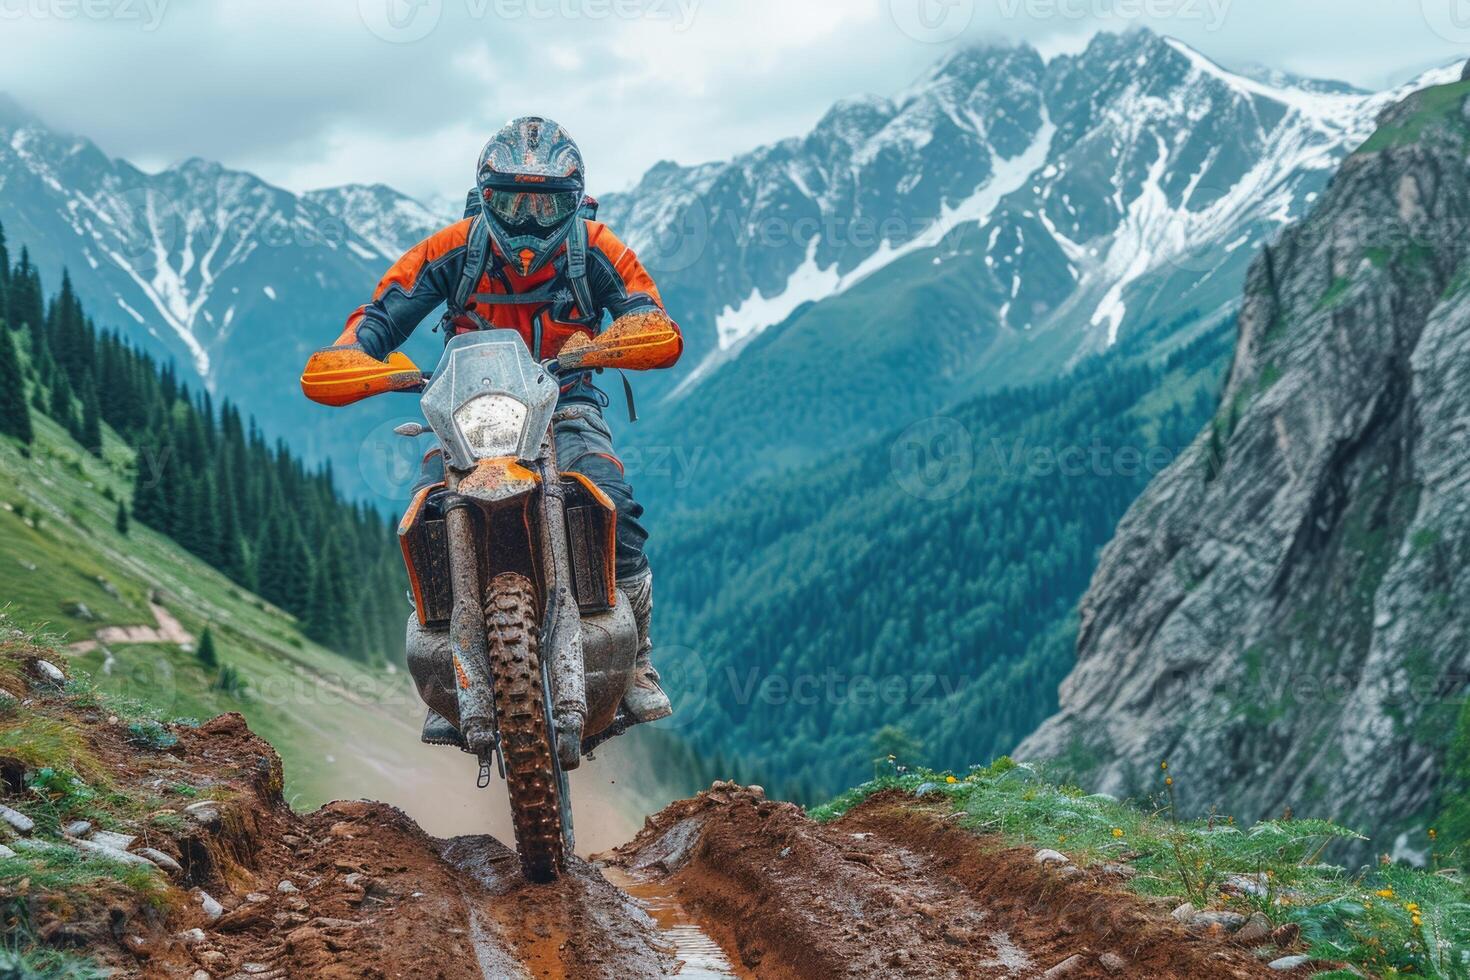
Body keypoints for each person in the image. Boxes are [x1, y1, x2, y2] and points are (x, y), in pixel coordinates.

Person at [330, 116, 680, 733]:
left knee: (613, 502)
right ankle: (449, 657)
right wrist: (355, 354)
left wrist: (634, 335)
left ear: (573, 204)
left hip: (566, 398)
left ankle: (638, 662)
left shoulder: (598, 248)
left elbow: (645, 310)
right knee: (428, 511)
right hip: (470, 406)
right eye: (510, 203)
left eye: (545, 207)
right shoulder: (450, 250)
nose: (526, 221)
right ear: (483, 197)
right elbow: (383, 312)